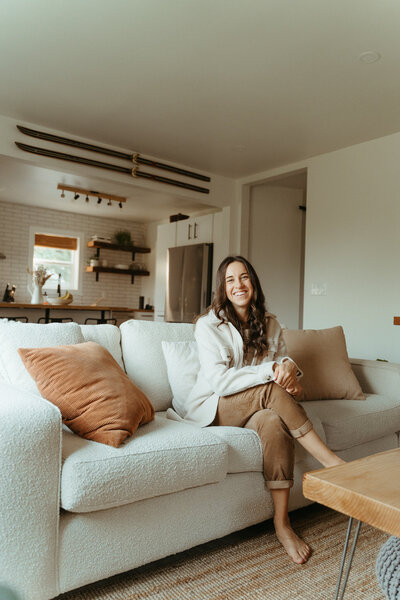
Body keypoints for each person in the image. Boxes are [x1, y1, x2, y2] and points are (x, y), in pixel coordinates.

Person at [175, 255, 344, 564]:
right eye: (230, 280)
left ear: (253, 282)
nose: (238, 285)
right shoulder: (208, 325)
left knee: (272, 424)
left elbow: (285, 361)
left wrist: (289, 372)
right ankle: (334, 466)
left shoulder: (270, 323)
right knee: (269, 388)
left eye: (244, 277)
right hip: (214, 406)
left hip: (257, 408)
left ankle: (282, 523)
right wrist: (273, 372)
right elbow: (222, 383)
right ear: (222, 289)